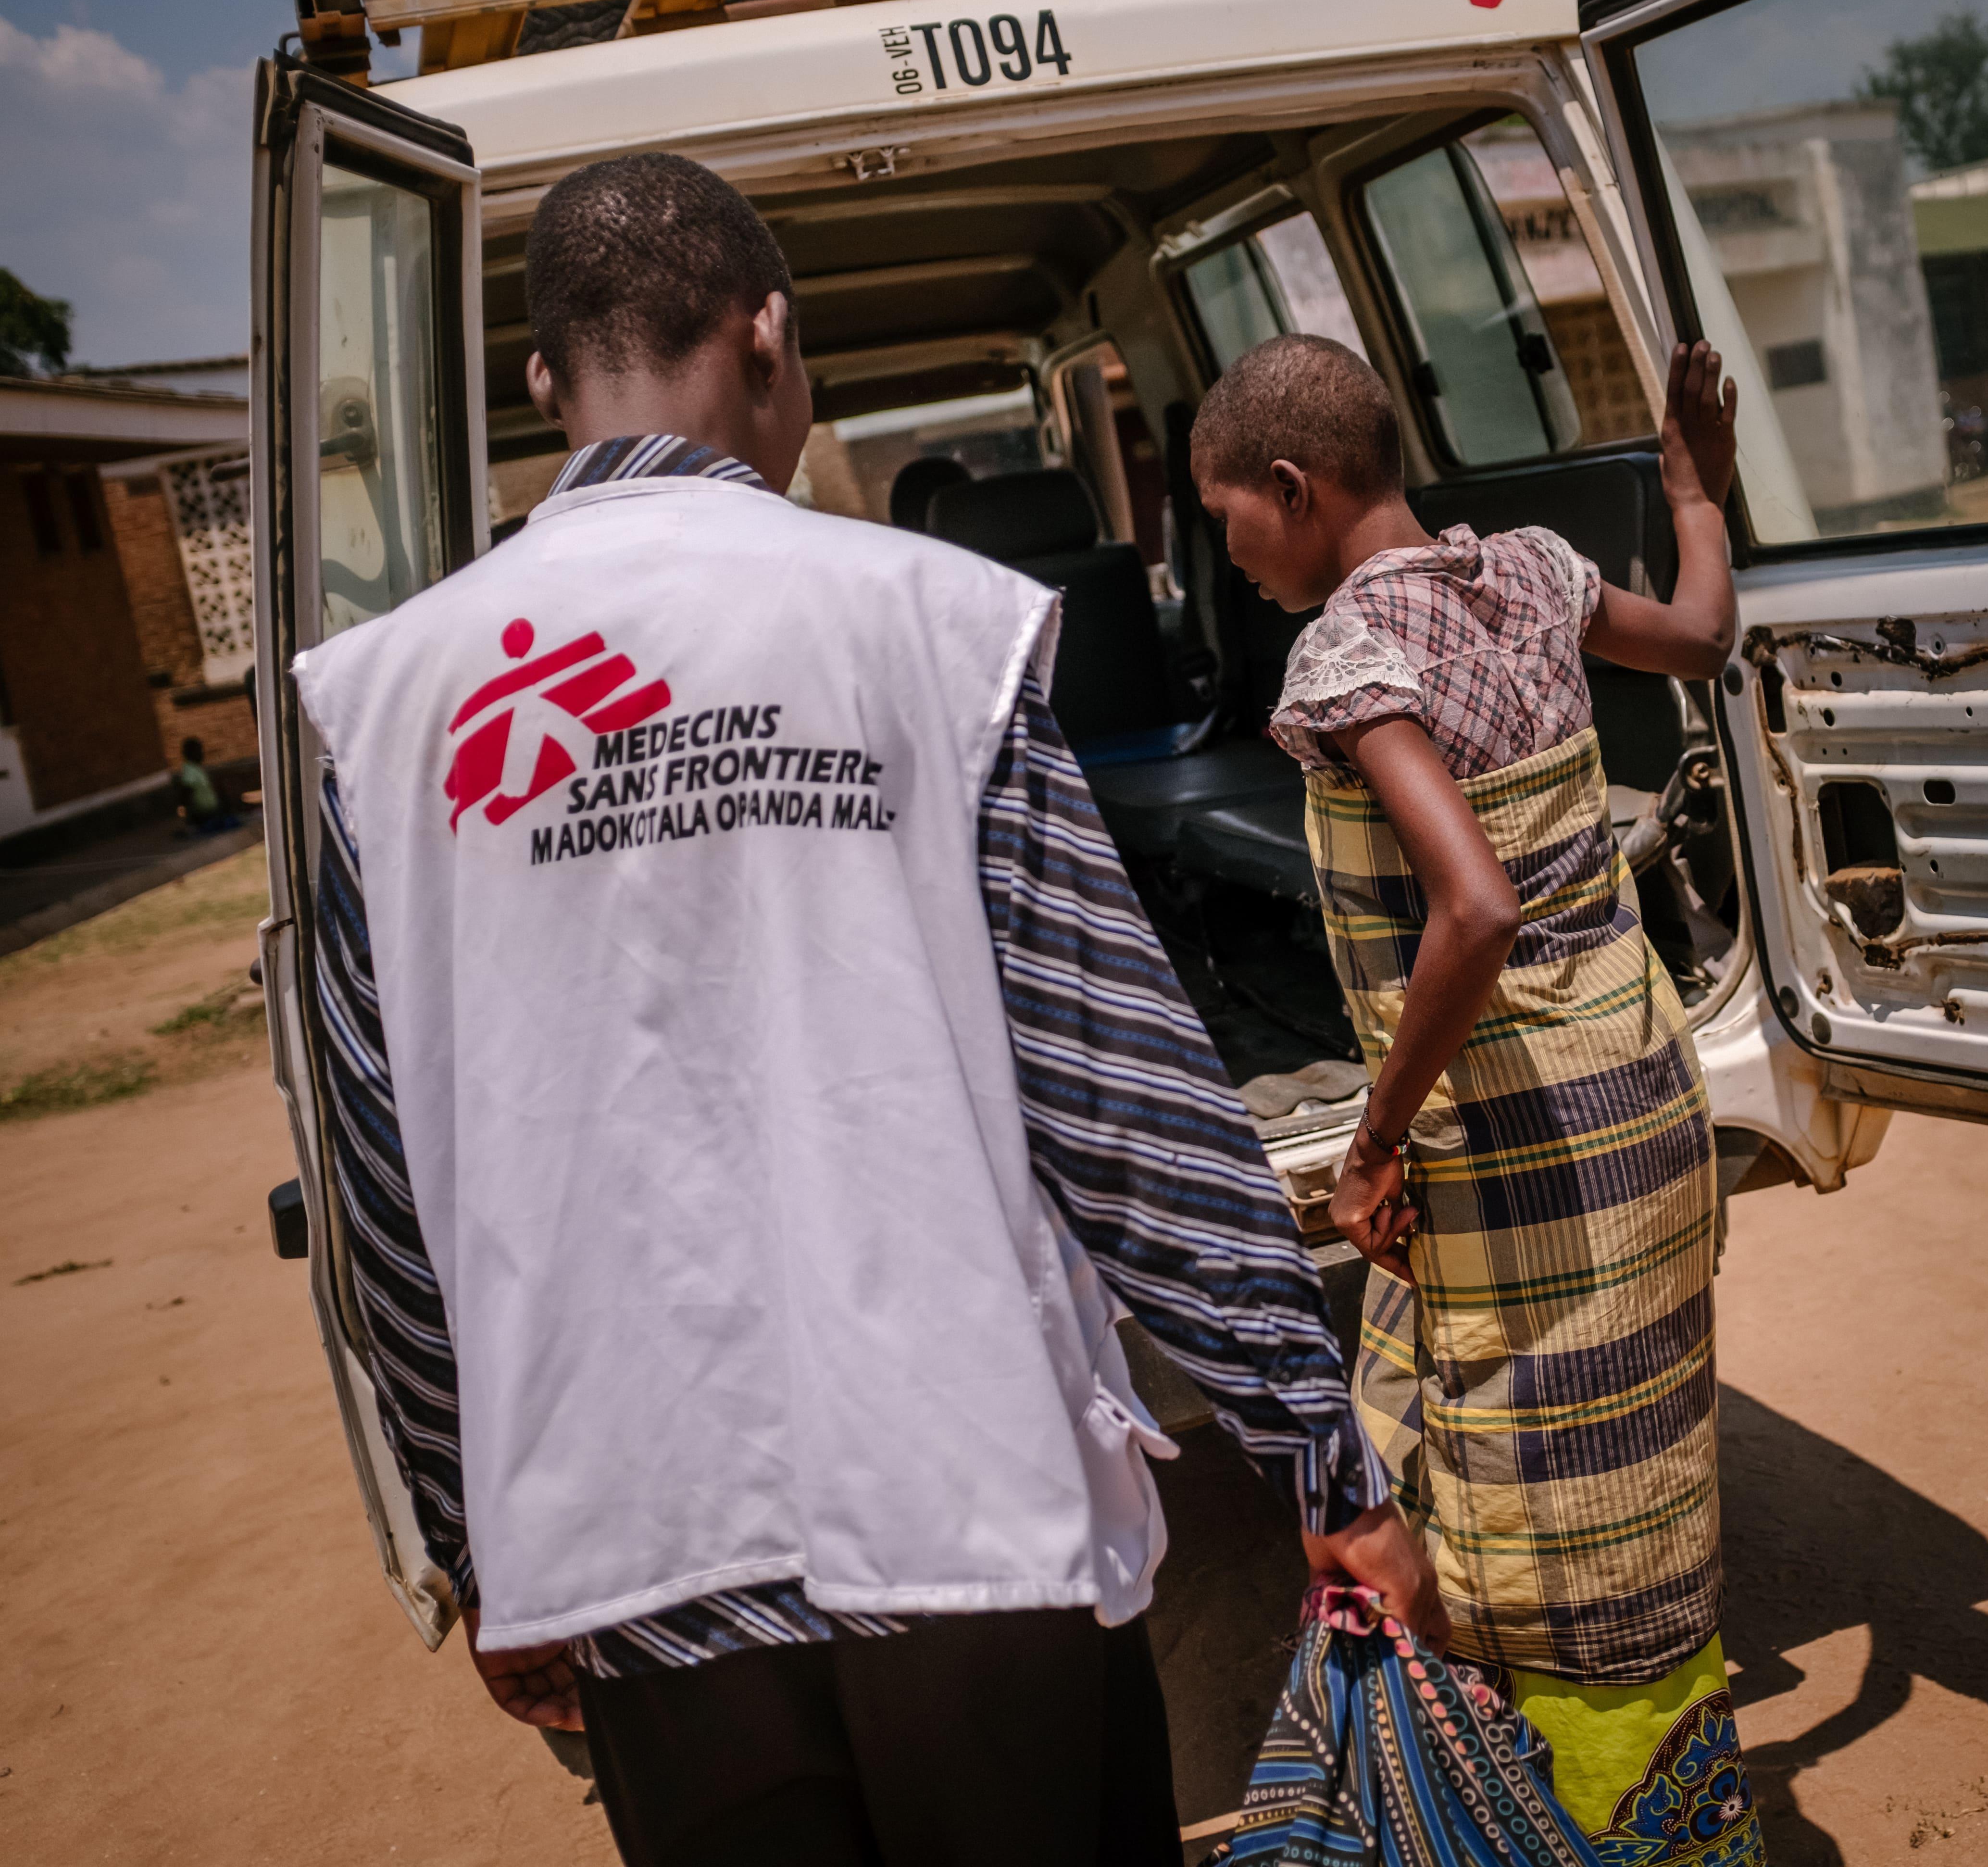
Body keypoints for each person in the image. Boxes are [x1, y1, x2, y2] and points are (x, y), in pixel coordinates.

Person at [291, 153, 1438, 1867]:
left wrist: (482, 1535)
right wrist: (1320, 1453)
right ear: (770, 333)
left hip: (636, 1551)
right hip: (972, 1516)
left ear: (543, 383)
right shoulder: (934, 623)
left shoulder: (370, 706)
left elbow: (386, 1201)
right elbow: (1121, 1098)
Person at [1191, 332, 1760, 1862]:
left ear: (1294, 490)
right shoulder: (1535, 571)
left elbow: (1475, 906)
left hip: (1520, 1157)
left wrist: (1369, 1142)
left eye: (1225, 512)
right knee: (1617, 1478)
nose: (1224, 551)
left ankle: (1535, 1822)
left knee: (1525, 1530)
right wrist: (1692, 492)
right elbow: (1704, 639)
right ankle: (1612, 1804)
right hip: (1638, 1108)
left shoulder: (1345, 662)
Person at [172, 736, 243, 835]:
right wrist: (189, 819)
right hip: (204, 815)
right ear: (190, 753)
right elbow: (186, 795)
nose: (202, 753)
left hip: (213, 812)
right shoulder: (189, 771)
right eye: (199, 751)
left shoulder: (197, 769)